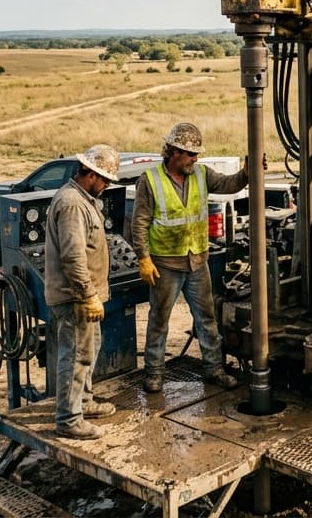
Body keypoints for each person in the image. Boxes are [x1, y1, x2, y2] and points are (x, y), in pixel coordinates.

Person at [131, 122, 248, 393]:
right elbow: (139, 223)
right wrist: (143, 258)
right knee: (159, 320)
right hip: (165, 264)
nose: (195, 159)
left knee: (206, 318)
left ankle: (213, 369)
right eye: (190, 154)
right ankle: (154, 373)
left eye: (196, 155)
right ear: (173, 151)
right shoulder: (150, 181)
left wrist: (246, 173)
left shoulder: (201, 174)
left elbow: (229, 184)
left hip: (197, 261)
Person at [45, 143, 120, 439]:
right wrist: (88, 294)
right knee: (76, 356)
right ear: (90, 174)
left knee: (88, 352)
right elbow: (73, 256)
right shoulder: (73, 203)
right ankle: (68, 419)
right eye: (104, 180)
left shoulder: (81, 199)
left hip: (82, 296)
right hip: (74, 296)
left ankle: (83, 402)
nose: (106, 186)